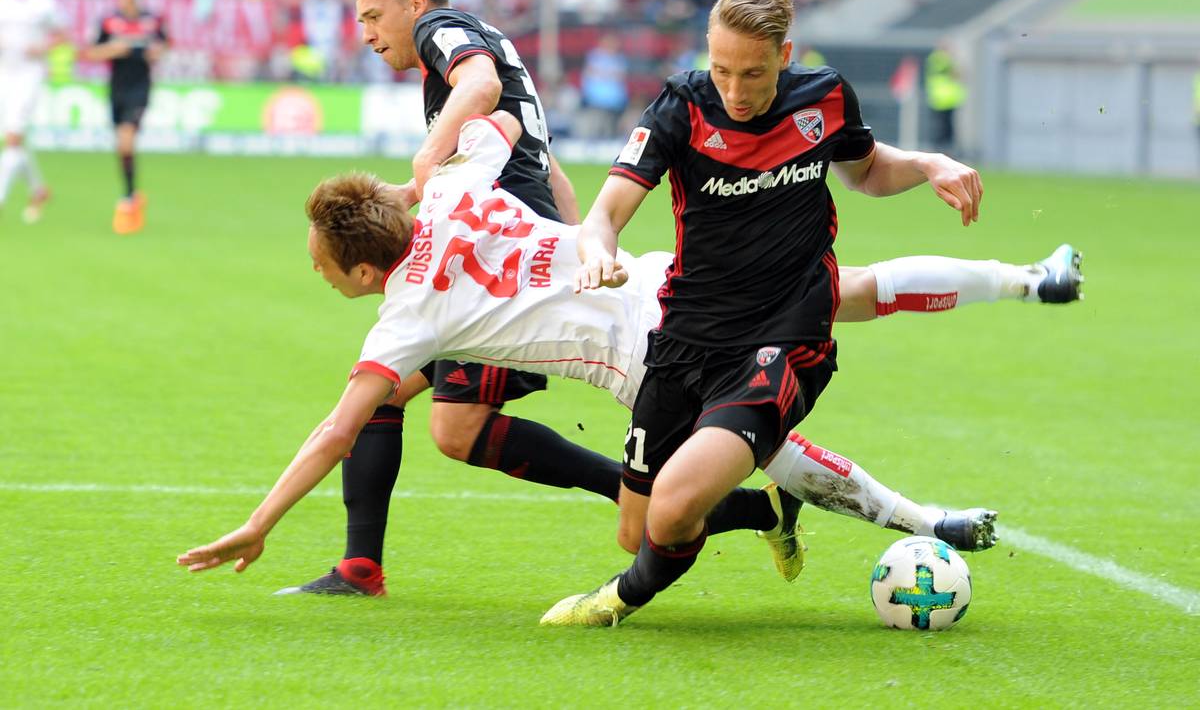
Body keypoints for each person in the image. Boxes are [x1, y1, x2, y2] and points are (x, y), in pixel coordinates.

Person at [177, 112, 1079, 593]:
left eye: (326, 269)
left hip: (650, 362)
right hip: (660, 274)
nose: (323, 280)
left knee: (717, 474)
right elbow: (495, 122)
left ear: (367, 267)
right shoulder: (449, 187)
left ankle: (922, 523)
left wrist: (261, 521)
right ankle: (1029, 277)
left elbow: (341, 430)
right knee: (848, 290)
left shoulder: (405, 315)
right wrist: (421, 171)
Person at [541, 0, 985, 627]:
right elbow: (605, 211)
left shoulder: (825, 98)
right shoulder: (681, 107)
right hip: (687, 336)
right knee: (639, 529)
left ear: (785, 54)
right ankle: (769, 510)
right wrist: (598, 251)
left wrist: (925, 164)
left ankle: (611, 602)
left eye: (752, 73)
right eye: (721, 69)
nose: (735, 90)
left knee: (672, 508)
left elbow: (864, 170)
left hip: (784, 339)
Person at [274, 0, 616, 597]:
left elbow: (481, 87)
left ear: (417, 4)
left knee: (455, 430)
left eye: (374, 16)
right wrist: (580, 241)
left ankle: (645, 491)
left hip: (492, 268)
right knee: (389, 393)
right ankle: (358, 568)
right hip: (502, 253)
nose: (366, 33)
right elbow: (544, 163)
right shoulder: (482, 50)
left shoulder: (444, 31)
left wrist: (427, 158)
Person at [79, 0, 167, 234]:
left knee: (127, 138)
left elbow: (164, 46)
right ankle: (131, 192)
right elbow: (91, 53)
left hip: (140, 87)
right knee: (121, 145)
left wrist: (156, 53)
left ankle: (127, 201)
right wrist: (113, 50)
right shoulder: (108, 21)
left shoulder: (151, 21)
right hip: (117, 86)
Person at [0, 0, 67, 223]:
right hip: (4, 71)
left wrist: (42, 48)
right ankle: (38, 190)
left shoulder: (44, 4)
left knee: (13, 137)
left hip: (30, 72)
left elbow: (63, 35)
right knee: (13, 139)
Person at [924, 42, 966, 154]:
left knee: (946, 128)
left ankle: (945, 149)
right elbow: (956, 73)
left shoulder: (940, 59)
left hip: (946, 100)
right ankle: (941, 150)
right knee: (942, 128)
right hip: (942, 99)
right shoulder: (941, 59)